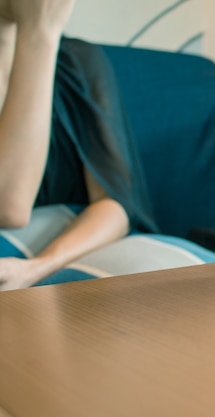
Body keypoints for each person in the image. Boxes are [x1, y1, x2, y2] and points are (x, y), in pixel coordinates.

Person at [0, 0, 159, 291]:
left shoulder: (78, 59)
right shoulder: (41, 42)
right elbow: (9, 207)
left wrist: (37, 267)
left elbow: (117, 205)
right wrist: (38, 35)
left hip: (64, 250)